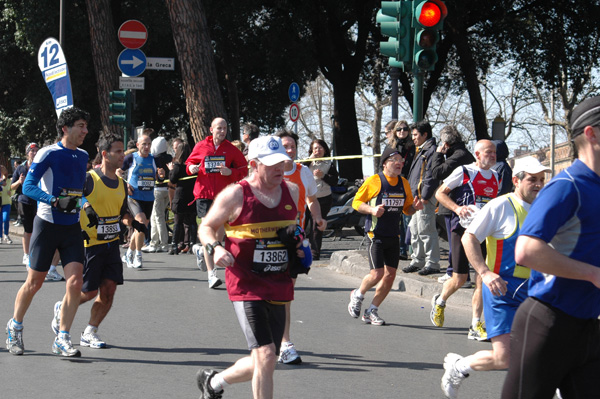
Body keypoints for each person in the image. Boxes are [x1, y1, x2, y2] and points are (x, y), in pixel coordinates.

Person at [501, 96, 600, 399]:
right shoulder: (567, 185)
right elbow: (527, 250)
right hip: (548, 322)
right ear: (591, 133)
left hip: (590, 328)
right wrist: (593, 274)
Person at [195, 135, 299, 399]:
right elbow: (206, 227)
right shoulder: (235, 194)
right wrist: (215, 248)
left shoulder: (292, 191)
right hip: (246, 283)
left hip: (279, 282)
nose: (280, 169)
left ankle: (214, 382)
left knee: (267, 358)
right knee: (265, 354)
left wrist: (299, 244)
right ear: (254, 164)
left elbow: (292, 231)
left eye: (282, 163)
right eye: (272, 163)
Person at [440, 156, 549, 398]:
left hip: (536, 291)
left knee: (551, 350)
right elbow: (469, 238)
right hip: (503, 291)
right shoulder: (500, 206)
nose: (539, 184)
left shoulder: (547, 208)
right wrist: (485, 272)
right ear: (516, 180)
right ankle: (460, 367)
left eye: (542, 179)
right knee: (503, 358)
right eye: (532, 179)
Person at [6, 107, 90, 357]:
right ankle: (15, 326)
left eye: (86, 126)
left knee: (75, 283)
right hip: (48, 225)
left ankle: (63, 337)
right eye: (81, 126)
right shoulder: (48, 153)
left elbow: (78, 191)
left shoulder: (83, 155)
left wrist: (86, 205)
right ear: (65, 128)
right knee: (34, 283)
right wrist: (53, 200)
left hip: (72, 226)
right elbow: (28, 187)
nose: (86, 131)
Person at [51, 133, 136, 349]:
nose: (122, 155)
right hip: (89, 245)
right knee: (88, 292)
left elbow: (123, 212)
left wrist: (131, 221)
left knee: (108, 291)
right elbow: (68, 197)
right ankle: (63, 308)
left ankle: (90, 332)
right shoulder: (89, 178)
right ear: (105, 155)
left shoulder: (121, 184)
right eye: (118, 151)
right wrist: (84, 205)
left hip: (111, 246)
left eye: (122, 151)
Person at [431, 140, 500, 342]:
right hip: (462, 230)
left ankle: (475, 325)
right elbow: (439, 193)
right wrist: (457, 208)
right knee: (460, 279)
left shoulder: (496, 176)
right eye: (489, 152)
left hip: (484, 233)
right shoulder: (464, 172)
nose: (493, 156)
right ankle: (441, 300)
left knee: (483, 278)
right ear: (477, 154)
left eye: (495, 152)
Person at [348, 147, 421, 325]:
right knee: (376, 274)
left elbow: (407, 209)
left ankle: (372, 310)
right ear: (385, 163)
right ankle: (357, 294)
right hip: (375, 234)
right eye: (394, 160)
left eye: (400, 160)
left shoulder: (403, 183)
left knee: (390, 275)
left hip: (393, 235)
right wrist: (372, 209)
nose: (398, 163)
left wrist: (415, 207)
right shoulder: (374, 181)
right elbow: (356, 202)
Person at [276, 129, 326, 365]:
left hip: (294, 238)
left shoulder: (303, 172)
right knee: (269, 292)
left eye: (293, 146)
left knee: (286, 291)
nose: (290, 150)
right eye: (285, 146)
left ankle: (285, 342)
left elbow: (312, 200)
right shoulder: (266, 171)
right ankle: (269, 336)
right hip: (268, 238)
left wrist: (317, 218)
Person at [187, 117, 248, 288]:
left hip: (222, 197)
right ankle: (211, 274)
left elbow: (243, 170)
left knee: (217, 237)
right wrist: (191, 167)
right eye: (219, 128)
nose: (222, 131)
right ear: (211, 129)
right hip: (203, 194)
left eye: (225, 128)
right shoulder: (201, 146)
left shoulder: (230, 149)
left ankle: (200, 249)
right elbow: (190, 162)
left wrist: (230, 172)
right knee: (211, 234)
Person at [430, 126, 476, 285]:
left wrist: (438, 154)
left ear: (446, 143)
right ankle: (454, 272)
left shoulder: (458, 156)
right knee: (454, 243)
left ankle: (459, 274)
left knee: (457, 243)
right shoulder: (461, 154)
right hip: (457, 204)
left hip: (455, 204)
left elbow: (437, 172)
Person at [118, 131, 164, 269]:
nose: (146, 146)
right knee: (141, 221)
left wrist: (161, 176)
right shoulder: (131, 158)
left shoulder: (154, 159)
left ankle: (129, 253)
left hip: (149, 198)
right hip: (134, 197)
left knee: (141, 228)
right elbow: (118, 171)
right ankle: (138, 255)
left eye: (149, 144)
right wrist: (125, 183)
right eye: (144, 144)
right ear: (138, 145)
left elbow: (159, 178)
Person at [403, 121, 441, 275]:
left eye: (415, 134)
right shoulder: (422, 150)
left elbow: (430, 176)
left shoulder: (430, 150)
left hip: (423, 197)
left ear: (425, 134)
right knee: (415, 229)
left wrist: (424, 196)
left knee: (426, 229)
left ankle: (432, 262)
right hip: (416, 197)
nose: (413, 138)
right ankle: (418, 260)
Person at [305, 139, 338, 260]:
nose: (317, 151)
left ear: (325, 150)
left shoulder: (329, 164)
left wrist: (323, 176)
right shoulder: (306, 163)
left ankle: (315, 252)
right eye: (315, 149)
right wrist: (310, 159)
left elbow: (335, 181)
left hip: (323, 198)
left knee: (316, 226)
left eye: (320, 148)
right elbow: (299, 170)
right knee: (302, 225)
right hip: (306, 198)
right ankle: (300, 249)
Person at [391, 120, 416, 260]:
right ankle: (400, 249)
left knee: (407, 219)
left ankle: (409, 249)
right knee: (395, 219)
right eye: (399, 129)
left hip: (406, 183)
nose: (402, 131)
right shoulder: (391, 146)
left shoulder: (412, 146)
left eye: (405, 129)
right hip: (393, 184)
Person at [142, 136, 171, 253]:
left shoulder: (154, 159)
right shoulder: (169, 158)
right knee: (157, 216)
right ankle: (156, 242)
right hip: (168, 189)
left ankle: (160, 243)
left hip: (157, 189)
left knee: (157, 217)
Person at [11, 143, 39, 266]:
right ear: (27, 153)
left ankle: (36, 253)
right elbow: (12, 187)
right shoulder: (21, 168)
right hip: (24, 201)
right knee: (28, 230)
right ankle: (26, 254)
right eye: (32, 151)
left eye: (36, 150)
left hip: (38, 201)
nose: (34, 153)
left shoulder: (40, 166)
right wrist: (19, 181)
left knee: (38, 229)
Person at [168, 142, 197, 255]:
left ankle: (174, 245)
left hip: (180, 196)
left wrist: (171, 170)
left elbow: (173, 180)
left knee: (178, 222)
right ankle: (192, 244)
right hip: (191, 195)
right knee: (192, 221)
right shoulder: (193, 166)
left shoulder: (178, 166)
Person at [1, 164, 13, 244]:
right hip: (0, 202)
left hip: (7, 203)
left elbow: (13, 190)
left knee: (5, 219)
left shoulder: (9, 181)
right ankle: (0, 237)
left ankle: (6, 235)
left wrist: (11, 192)